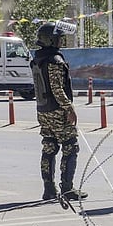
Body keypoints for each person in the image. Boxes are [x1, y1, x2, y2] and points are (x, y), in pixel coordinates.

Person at [30, 22, 86, 201]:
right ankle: (67, 188)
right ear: (51, 40)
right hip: (57, 111)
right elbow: (58, 89)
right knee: (70, 146)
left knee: (49, 147)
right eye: (58, 38)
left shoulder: (37, 59)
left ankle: (49, 189)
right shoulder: (55, 61)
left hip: (42, 110)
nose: (61, 41)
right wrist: (69, 108)